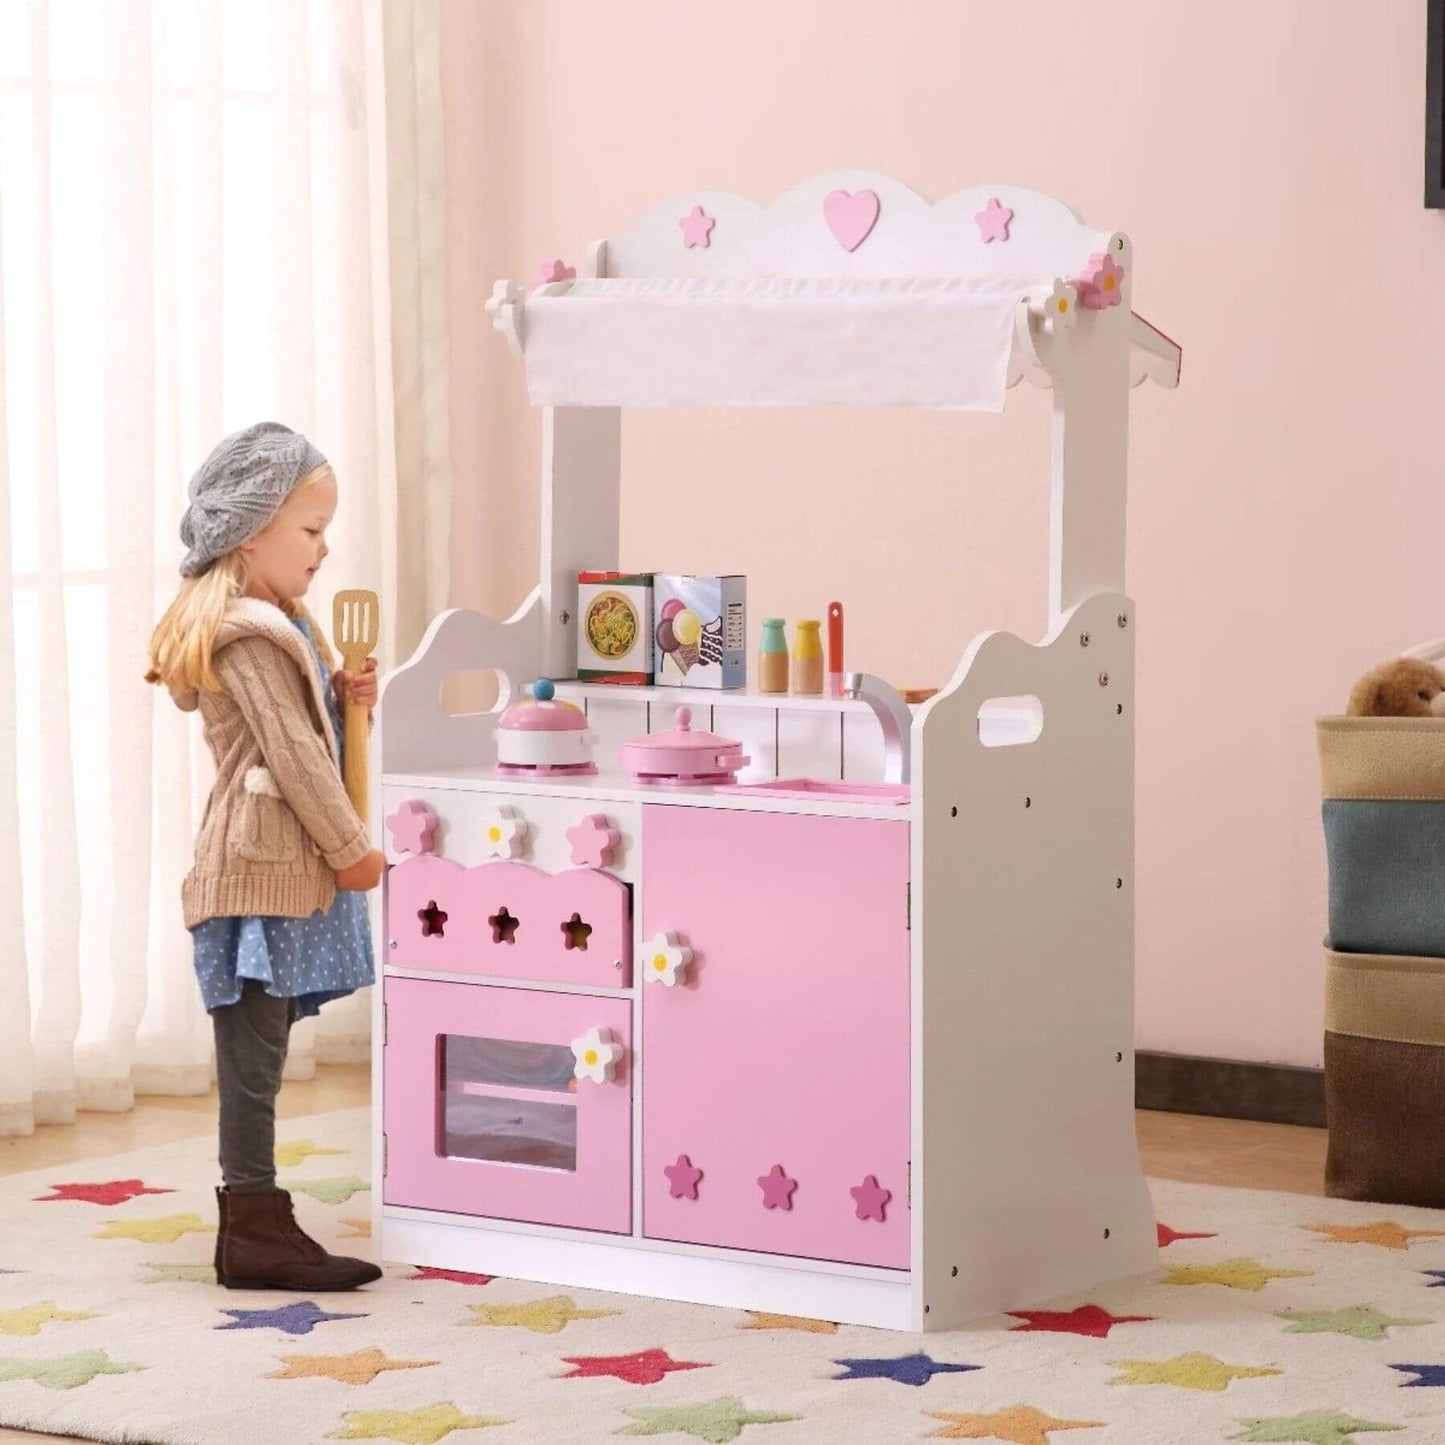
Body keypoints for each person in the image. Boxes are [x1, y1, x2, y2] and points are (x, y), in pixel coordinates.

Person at [145, 421, 385, 1290]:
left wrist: (343, 695)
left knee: (265, 1051)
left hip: (276, 865)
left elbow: (309, 733)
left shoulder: (286, 624)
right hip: (255, 871)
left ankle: (258, 1215)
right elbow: (291, 757)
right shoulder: (250, 633)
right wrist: (353, 849)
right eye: (311, 531)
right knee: (252, 1062)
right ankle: (250, 1221)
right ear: (254, 532)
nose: (325, 550)